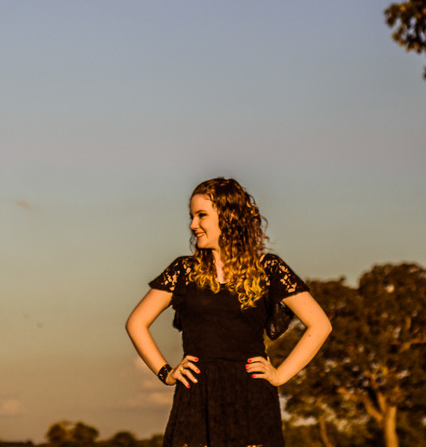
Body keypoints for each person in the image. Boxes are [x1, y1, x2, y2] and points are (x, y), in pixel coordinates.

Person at [126, 177, 331, 447]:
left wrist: (280, 375)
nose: (192, 225)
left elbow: (319, 325)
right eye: (191, 216)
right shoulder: (183, 270)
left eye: (201, 216)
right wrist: (166, 373)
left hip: (251, 397)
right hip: (196, 396)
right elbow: (136, 323)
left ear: (229, 216)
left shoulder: (268, 268)